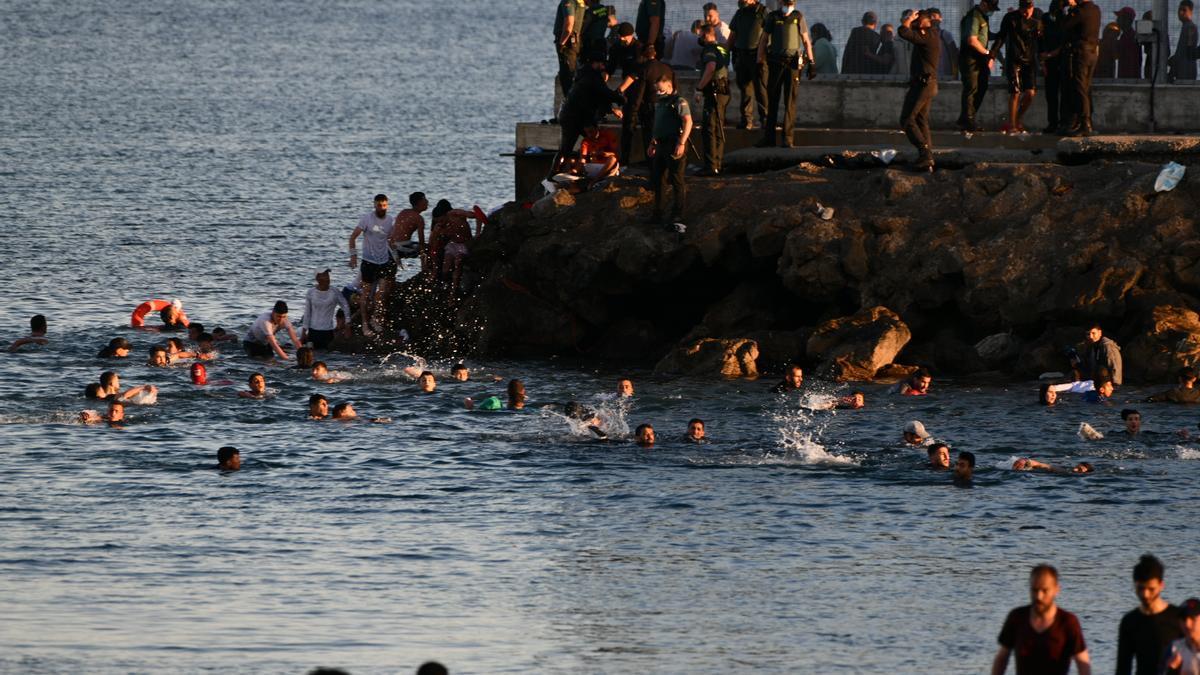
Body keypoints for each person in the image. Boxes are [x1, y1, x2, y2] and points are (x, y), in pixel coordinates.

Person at [992, 564, 1091, 675]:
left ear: (1056, 590)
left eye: (1044, 590)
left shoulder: (1068, 622)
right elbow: (1002, 658)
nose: (1039, 596)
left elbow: (1083, 663)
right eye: (1034, 590)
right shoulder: (1017, 618)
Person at [553, 51, 626, 177]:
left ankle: (573, 169)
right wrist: (620, 99)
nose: (603, 67)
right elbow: (604, 93)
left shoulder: (583, 73)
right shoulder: (593, 76)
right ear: (596, 63)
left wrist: (612, 109)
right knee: (577, 143)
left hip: (570, 114)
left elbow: (597, 96)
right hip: (575, 117)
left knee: (574, 144)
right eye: (602, 64)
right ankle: (557, 173)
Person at [754, 0, 814, 149]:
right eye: (786, 2)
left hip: (793, 64)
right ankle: (769, 138)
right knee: (772, 100)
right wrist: (759, 60)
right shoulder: (773, 17)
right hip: (775, 63)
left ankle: (787, 139)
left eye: (791, 2)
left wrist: (811, 62)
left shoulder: (798, 17)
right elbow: (764, 40)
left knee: (790, 102)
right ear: (780, 2)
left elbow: (806, 40)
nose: (788, 5)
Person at [1116, 554, 1183, 675]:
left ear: (1161, 585)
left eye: (1151, 589)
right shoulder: (1129, 621)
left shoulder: (1178, 618)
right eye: (1140, 588)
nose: (1145, 594)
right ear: (1134, 584)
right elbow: (1122, 669)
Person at [646, 69, 692, 227]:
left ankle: (678, 214)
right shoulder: (660, 102)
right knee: (658, 181)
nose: (658, 92)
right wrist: (653, 142)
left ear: (669, 85)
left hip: (674, 144)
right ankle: (658, 213)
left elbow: (688, 121)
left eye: (660, 88)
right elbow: (658, 125)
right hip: (660, 145)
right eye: (656, 89)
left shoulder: (679, 101)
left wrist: (681, 142)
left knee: (677, 180)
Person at [899, 9, 941, 173]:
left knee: (907, 119)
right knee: (921, 120)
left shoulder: (928, 36)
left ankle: (924, 153)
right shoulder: (927, 34)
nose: (915, 22)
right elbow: (911, 33)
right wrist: (910, 20)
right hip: (927, 84)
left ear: (926, 21)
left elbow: (903, 32)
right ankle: (927, 157)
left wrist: (907, 20)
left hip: (924, 85)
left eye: (919, 19)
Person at [348, 194, 396, 337]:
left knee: (380, 294)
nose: (382, 208)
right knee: (366, 294)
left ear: (387, 206)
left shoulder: (390, 220)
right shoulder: (367, 218)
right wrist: (353, 256)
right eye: (379, 205)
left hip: (384, 261)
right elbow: (352, 237)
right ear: (374, 205)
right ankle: (365, 324)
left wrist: (397, 258)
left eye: (384, 205)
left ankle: (375, 319)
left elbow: (391, 241)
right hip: (368, 262)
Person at [993, 0, 1042, 135]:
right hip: (1014, 59)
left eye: (1028, 9)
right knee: (1015, 92)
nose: (1025, 13)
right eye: (1022, 9)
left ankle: (1015, 119)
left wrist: (1044, 59)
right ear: (1019, 8)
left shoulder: (1038, 17)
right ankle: (1013, 126)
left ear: (1032, 7)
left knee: (1030, 93)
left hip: (1029, 60)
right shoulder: (1010, 18)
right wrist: (992, 55)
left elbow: (1043, 39)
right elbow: (1001, 37)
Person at [1060, 0, 1100, 137]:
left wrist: (1069, 10)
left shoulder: (1079, 11)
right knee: (1086, 86)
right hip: (1092, 52)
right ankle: (1084, 122)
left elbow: (1064, 26)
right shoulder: (1095, 10)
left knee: (1079, 87)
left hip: (1081, 53)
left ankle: (1085, 123)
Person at [695, 24, 731, 176]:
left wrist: (699, 88)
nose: (699, 39)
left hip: (714, 93)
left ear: (707, 35)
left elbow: (710, 68)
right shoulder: (722, 48)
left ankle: (711, 166)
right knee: (718, 129)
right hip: (724, 91)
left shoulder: (709, 49)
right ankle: (718, 163)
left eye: (700, 35)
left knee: (709, 129)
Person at [958, 0, 999, 133]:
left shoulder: (983, 17)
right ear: (984, 3)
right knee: (972, 88)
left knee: (982, 86)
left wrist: (1000, 35)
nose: (991, 10)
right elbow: (972, 40)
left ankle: (966, 117)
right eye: (990, 7)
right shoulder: (974, 16)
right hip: (970, 58)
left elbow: (985, 36)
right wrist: (987, 53)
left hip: (979, 59)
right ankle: (968, 121)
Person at [427, 200, 485, 292]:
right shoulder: (438, 227)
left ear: (446, 214)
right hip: (452, 245)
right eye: (438, 222)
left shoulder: (455, 214)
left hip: (466, 243)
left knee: (458, 261)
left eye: (442, 220)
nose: (441, 223)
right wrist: (433, 266)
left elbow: (478, 215)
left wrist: (477, 234)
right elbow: (432, 245)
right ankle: (445, 286)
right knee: (445, 269)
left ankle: (454, 292)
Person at [729, 0, 768, 129]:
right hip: (742, 56)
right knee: (745, 89)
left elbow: (769, 34)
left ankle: (765, 120)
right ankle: (746, 120)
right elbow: (732, 35)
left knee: (761, 90)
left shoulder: (763, 13)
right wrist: (725, 52)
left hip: (758, 56)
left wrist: (762, 55)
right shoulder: (740, 13)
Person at [302, 269, 352, 350]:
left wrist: (347, 324)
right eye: (325, 275)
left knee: (327, 358)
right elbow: (307, 312)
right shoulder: (311, 292)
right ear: (318, 278)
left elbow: (345, 306)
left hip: (328, 331)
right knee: (311, 356)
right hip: (313, 331)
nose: (328, 278)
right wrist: (304, 331)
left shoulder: (334, 292)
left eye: (328, 275)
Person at [1040, 0, 1068, 133]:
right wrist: (1043, 59)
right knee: (1051, 94)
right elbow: (1041, 39)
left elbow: (1064, 42)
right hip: (1050, 61)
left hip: (1061, 61)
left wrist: (1049, 55)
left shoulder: (1065, 19)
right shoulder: (1046, 18)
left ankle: (1061, 122)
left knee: (1062, 94)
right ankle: (1053, 123)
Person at [388, 192, 430, 274]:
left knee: (390, 275)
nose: (427, 202)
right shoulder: (419, 218)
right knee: (429, 249)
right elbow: (421, 243)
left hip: (390, 245)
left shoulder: (404, 212)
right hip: (401, 246)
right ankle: (425, 272)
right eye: (425, 199)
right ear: (420, 202)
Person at [554, 0, 586, 99]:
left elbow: (569, 25)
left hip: (567, 43)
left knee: (567, 75)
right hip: (575, 41)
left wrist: (561, 43)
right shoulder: (580, 1)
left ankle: (570, 104)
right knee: (572, 72)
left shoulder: (568, 1)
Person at [1164, 598, 1200, 675]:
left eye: (1192, 618)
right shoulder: (1173, 649)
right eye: (1183, 619)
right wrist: (1172, 670)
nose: (1187, 624)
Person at [1171, 1, 1198, 81]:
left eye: (1184, 10)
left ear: (1191, 11)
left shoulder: (1190, 27)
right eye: (1179, 10)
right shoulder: (1186, 26)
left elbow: (1189, 50)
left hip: (1186, 69)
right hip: (1182, 68)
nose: (1181, 12)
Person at [929, 8, 960, 78]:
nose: (932, 19)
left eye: (934, 16)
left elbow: (954, 53)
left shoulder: (945, 34)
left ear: (940, 19)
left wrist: (955, 73)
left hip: (945, 74)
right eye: (929, 17)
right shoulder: (922, 36)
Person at [1115, 7, 1141, 79]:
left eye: (1119, 17)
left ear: (1126, 20)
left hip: (1128, 79)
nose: (1116, 20)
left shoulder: (1128, 37)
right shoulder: (1129, 35)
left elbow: (1130, 62)